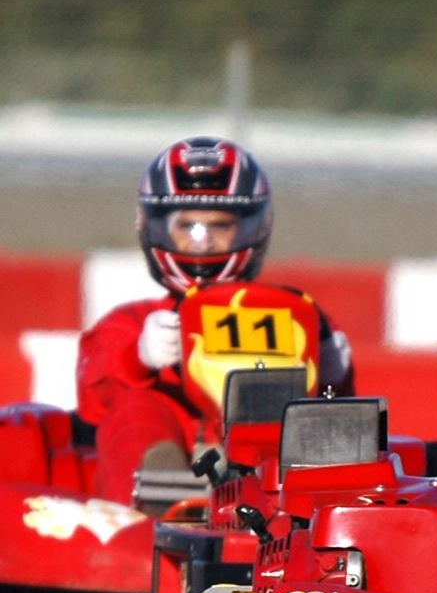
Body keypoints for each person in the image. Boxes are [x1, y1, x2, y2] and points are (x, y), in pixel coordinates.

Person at [76, 136, 355, 506]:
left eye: (220, 226)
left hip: (272, 480)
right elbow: (93, 401)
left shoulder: (296, 314)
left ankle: (316, 515)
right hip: (162, 484)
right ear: (154, 227)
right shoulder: (134, 322)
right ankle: (162, 504)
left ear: (253, 228)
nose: (203, 243)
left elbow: (342, 415)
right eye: (187, 226)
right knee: (136, 403)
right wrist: (137, 359)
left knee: (327, 417)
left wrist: (333, 376)